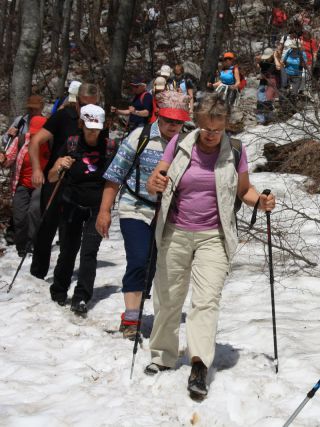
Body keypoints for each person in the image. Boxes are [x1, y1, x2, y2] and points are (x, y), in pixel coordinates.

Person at [144, 92, 276, 398]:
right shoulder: (179, 145)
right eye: (206, 129)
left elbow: (244, 191)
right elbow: (155, 180)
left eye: (217, 129)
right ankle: (162, 355)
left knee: (206, 300)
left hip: (214, 236)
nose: (211, 135)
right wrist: (156, 184)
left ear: (226, 124)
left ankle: (199, 365)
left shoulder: (236, 151)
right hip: (175, 231)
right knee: (169, 296)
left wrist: (262, 201)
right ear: (197, 124)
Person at [97, 91, 189, 339]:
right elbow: (115, 175)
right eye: (169, 119)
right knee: (138, 259)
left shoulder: (187, 144)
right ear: (159, 115)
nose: (173, 125)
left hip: (167, 213)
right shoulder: (140, 137)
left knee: (155, 265)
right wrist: (104, 211)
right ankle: (130, 319)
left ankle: (146, 307)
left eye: (178, 121)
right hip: (134, 207)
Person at [28, 83, 104, 281]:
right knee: (47, 225)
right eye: (83, 105)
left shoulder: (97, 120)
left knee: (69, 234)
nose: (86, 110)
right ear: (76, 101)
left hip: (81, 184)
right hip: (56, 177)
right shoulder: (63, 116)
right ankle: (38, 273)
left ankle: (62, 276)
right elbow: (36, 141)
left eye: (92, 105)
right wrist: (37, 169)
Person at [47, 105, 117, 314]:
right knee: (68, 248)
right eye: (89, 127)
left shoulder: (110, 147)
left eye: (96, 127)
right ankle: (59, 290)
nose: (93, 132)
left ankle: (81, 296)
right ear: (81, 125)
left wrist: (106, 210)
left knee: (89, 252)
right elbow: (51, 177)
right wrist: (59, 165)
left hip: (98, 205)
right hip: (72, 203)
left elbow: (114, 181)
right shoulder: (71, 144)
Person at [0, 116, 48, 256]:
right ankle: (21, 246)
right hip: (22, 184)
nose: (34, 135)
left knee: (34, 211)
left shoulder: (50, 143)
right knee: (19, 216)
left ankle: (32, 243)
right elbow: (9, 159)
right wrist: (3, 159)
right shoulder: (21, 140)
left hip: (41, 184)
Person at [255, 48, 278, 125]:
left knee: (268, 101)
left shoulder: (275, 63)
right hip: (263, 83)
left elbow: (277, 68)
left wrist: (275, 57)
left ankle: (269, 118)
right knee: (260, 101)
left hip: (271, 84)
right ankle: (261, 119)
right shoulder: (264, 63)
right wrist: (258, 61)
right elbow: (259, 64)